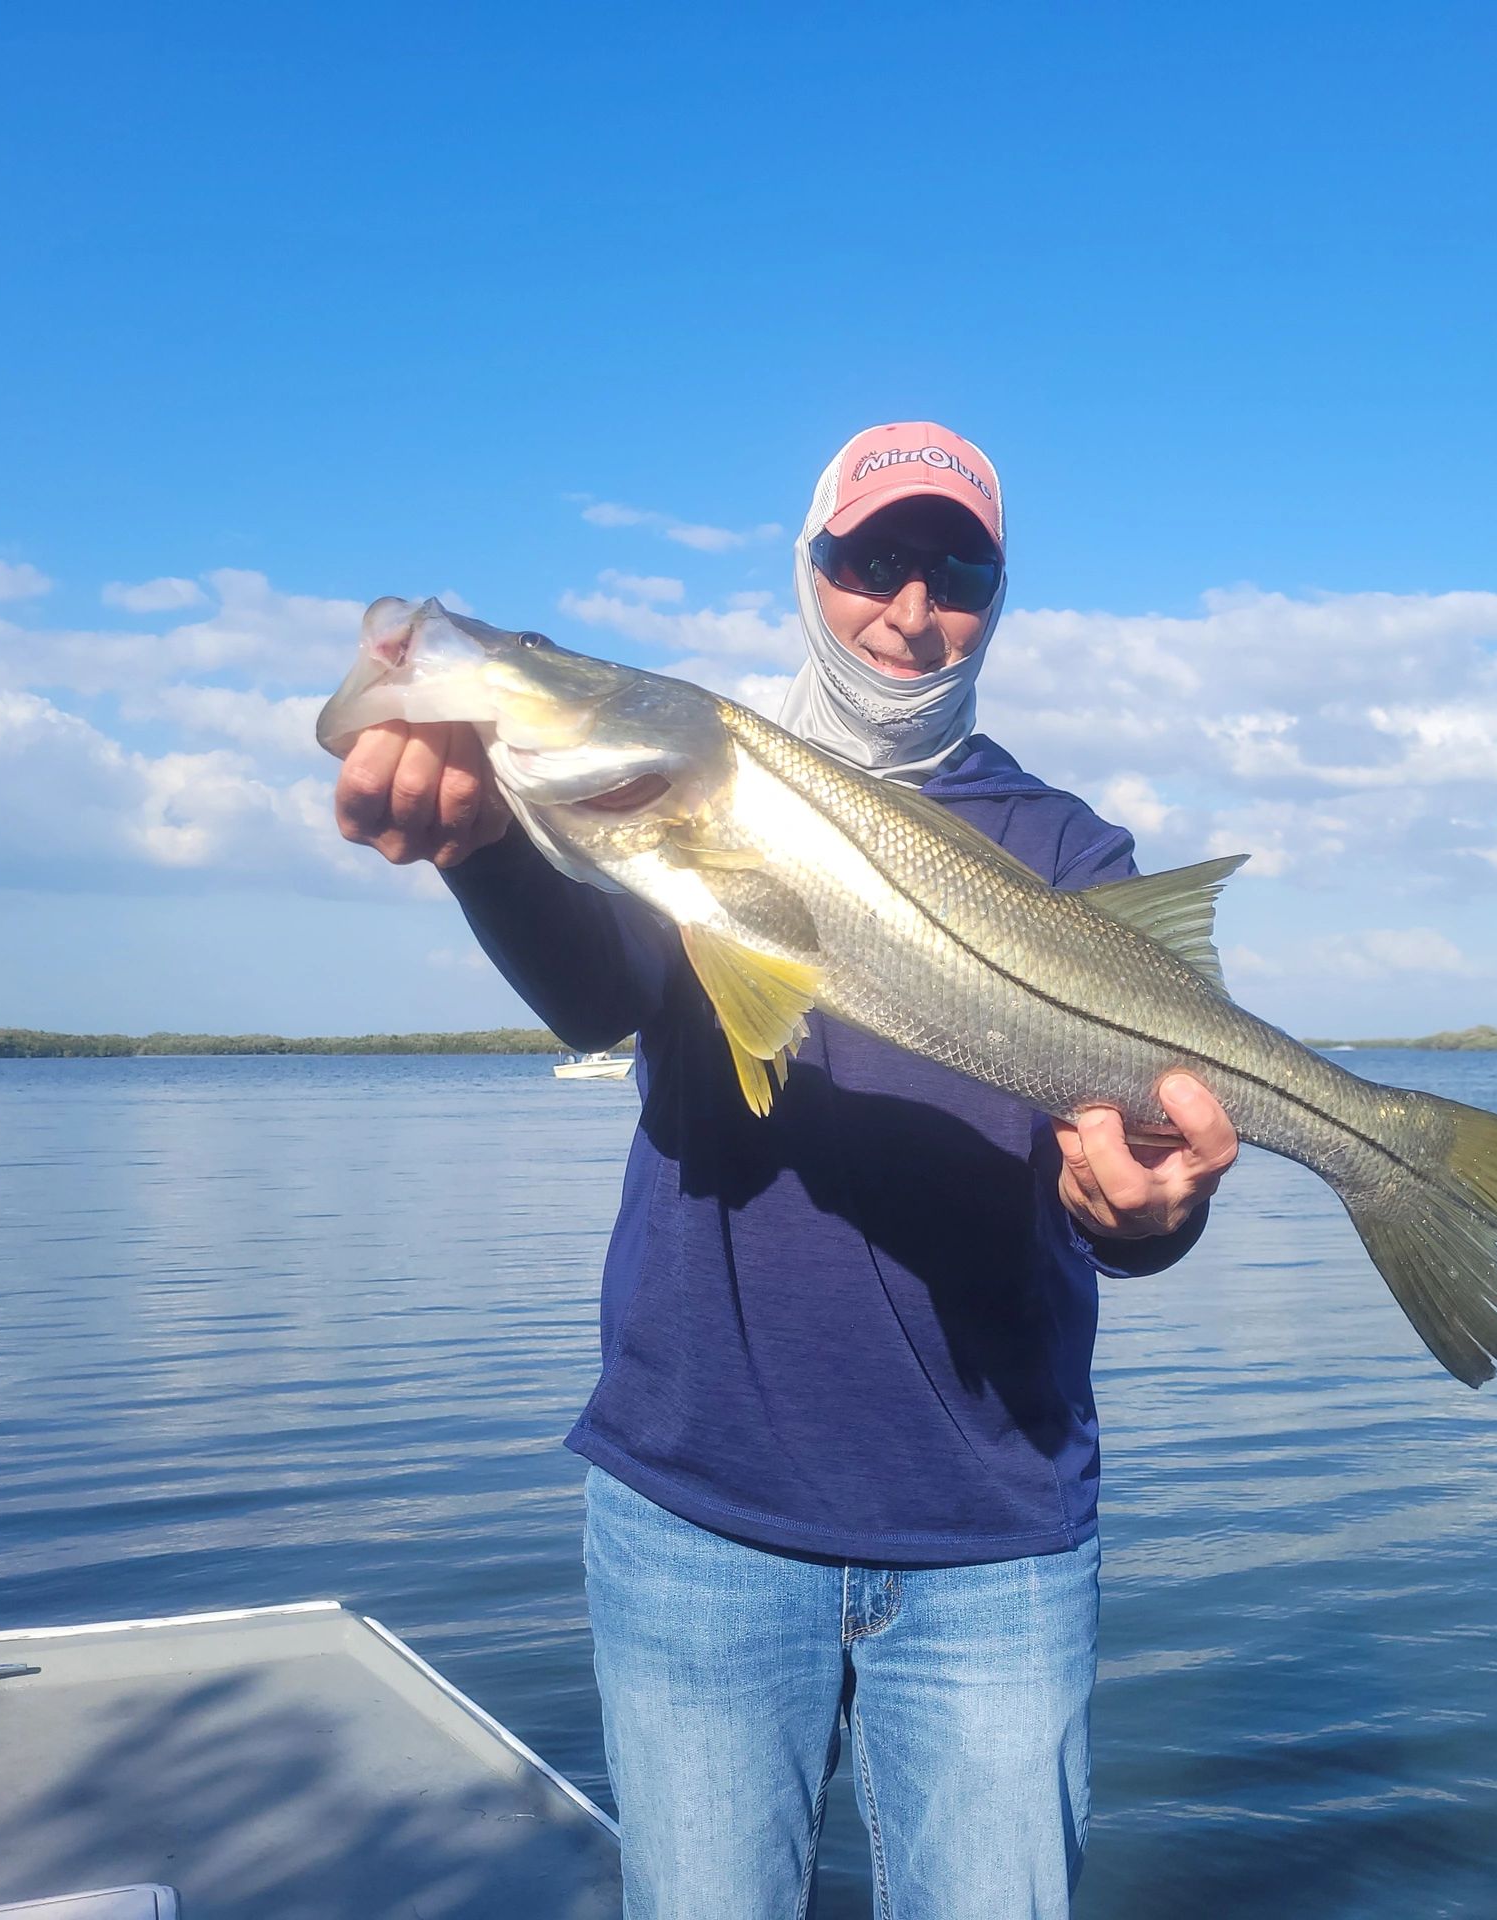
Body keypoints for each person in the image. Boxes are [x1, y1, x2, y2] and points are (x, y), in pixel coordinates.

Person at [333, 422, 1237, 1919]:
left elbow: (1138, 1187)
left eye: (956, 574)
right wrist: (483, 847)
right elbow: (598, 999)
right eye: (872, 561)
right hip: (697, 1512)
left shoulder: (1075, 852)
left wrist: (1152, 1215)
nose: (911, 607)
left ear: (996, 603)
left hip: (993, 1533)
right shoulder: (690, 778)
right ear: (810, 573)